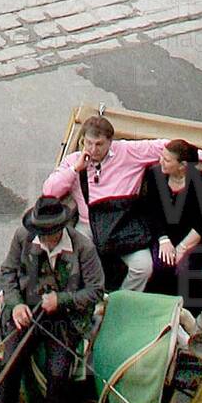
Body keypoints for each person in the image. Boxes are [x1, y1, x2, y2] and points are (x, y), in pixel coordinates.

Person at [0, 195, 105, 403]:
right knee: (9, 364)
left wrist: (61, 300)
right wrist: (16, 304)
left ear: (61, 228)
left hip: (65, 319)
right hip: (28, 312)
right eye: (40, 232)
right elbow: (8, 272)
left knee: (58, 373)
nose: (44, 238)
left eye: (49, 233)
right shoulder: (22, 237)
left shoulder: (83, 247)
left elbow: (95, 291)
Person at [41, 117, 163, 291]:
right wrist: (75, 169)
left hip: (122, 224)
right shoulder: (73, 160)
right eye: (88, 143)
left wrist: (200, 156)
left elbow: (165, 147)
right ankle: (84, 297)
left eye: (99, 144)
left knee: (143, 267)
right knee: (71, 261)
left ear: (110, 142)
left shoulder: (127, 151)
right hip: (88, 224)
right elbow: (49, 191)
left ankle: (121, 300)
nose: (93, 149)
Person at [138, 140, 202, 308]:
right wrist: (164, 240)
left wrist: (182, 248)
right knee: (160, 264)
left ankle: (186, 312)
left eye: (166, 160)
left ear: (183, 165)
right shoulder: (154, 176)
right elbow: (152, 212)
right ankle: (155, 308)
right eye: (161, 157)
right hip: (163, 235)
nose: (160, 161)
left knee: (183, 269)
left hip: (194, 238)